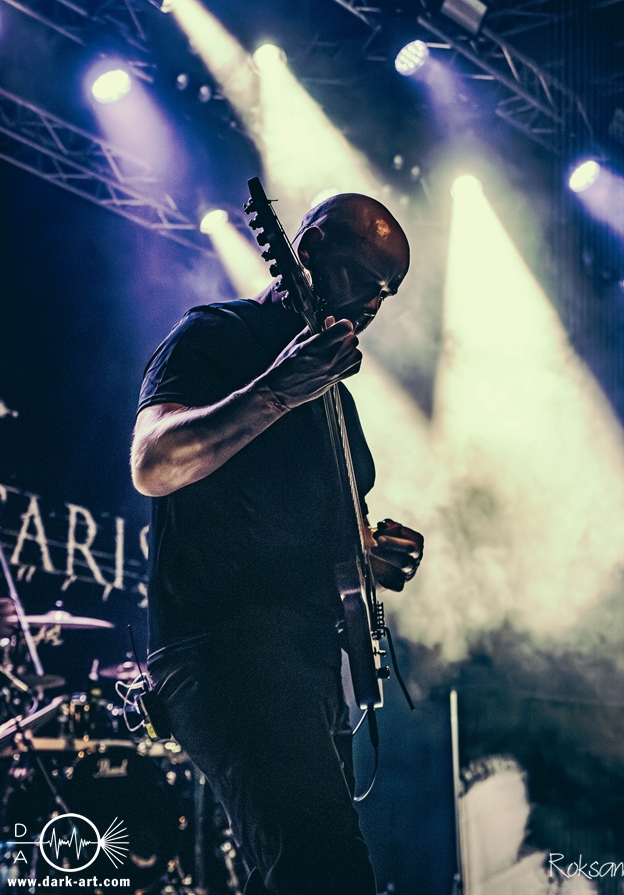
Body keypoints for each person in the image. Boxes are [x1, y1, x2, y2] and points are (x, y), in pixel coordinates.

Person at [130, 192, 424, 895]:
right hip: (226, 646)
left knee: (292, 873)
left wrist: (373, 554)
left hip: (309, 662)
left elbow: (331, 531)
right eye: (364, 277)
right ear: (309, 249)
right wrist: (275, 392)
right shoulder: (217, 334)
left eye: (388, 291)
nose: (374, 303)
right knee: (327, 872)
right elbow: (153, 462)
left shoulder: (337, 399)